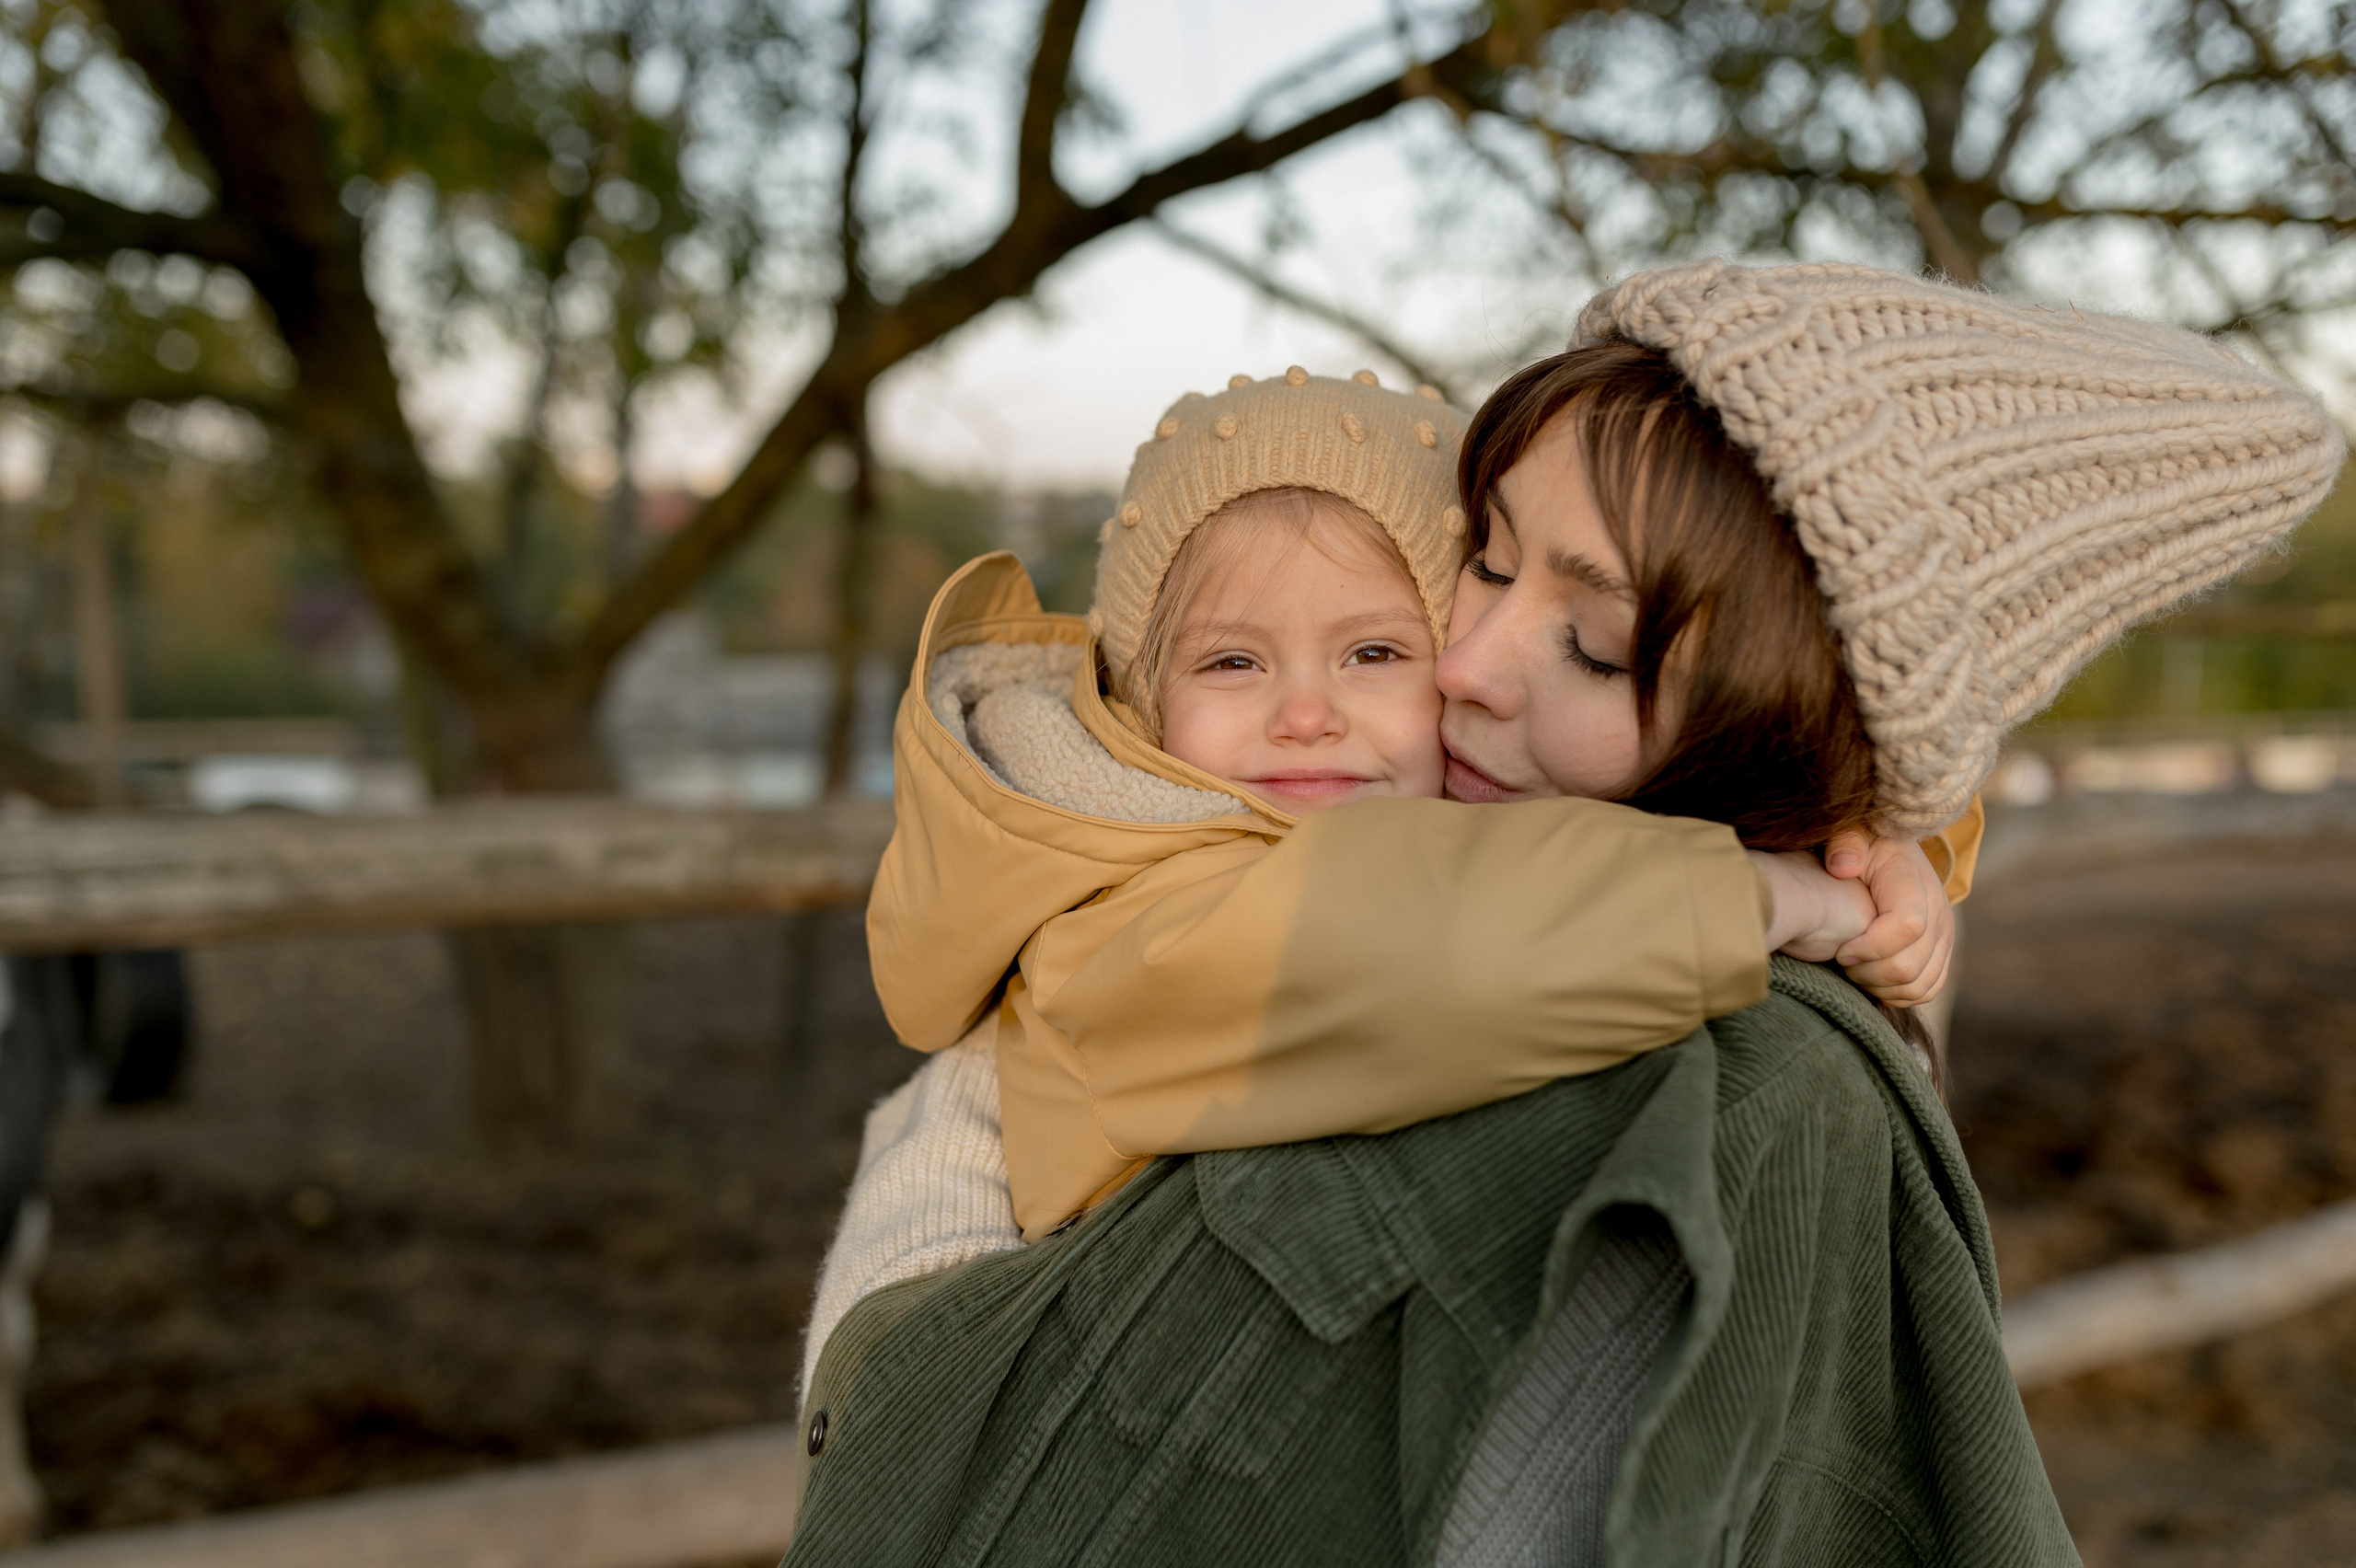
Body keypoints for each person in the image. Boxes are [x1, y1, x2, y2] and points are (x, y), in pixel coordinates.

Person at [785, 260, 2344, 1566]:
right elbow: (1414, 925)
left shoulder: (1755, 1065)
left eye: (1593, 643)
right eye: (1483, 556)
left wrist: (1896, 857)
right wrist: (1773, 885)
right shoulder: (1310, 872)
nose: (1463, 661)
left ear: (1780, 724)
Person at [860, 367, 1969, 1255]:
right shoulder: (1127, 914)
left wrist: (1872, 845)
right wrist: (1772, 893)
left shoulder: (1447, 818)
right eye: (1232, 661)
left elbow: (1591, 827)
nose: (1304, 714)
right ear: (1143, 705)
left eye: (1377, 651)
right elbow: (1430, 935)